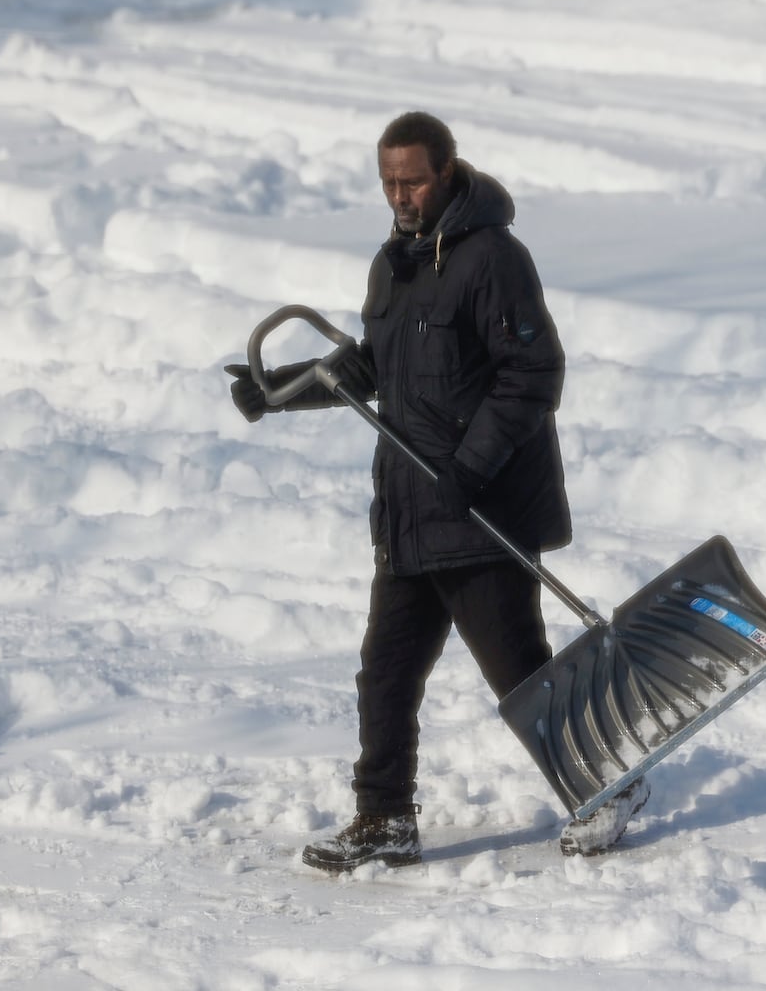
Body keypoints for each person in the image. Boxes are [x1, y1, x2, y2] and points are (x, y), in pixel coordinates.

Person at [226, 111, 648, 871]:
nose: (399, 196)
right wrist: (279, 391)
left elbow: (533, 376)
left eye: (412, 180)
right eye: (388, 182)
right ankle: (384, 817)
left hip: (479, 507)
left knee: (517, 668)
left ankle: (608, 786)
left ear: (448, 172)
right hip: (410, 510)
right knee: (384, 672)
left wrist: (469, 468)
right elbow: (371, 371)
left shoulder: (494, 259)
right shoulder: (393, 263)